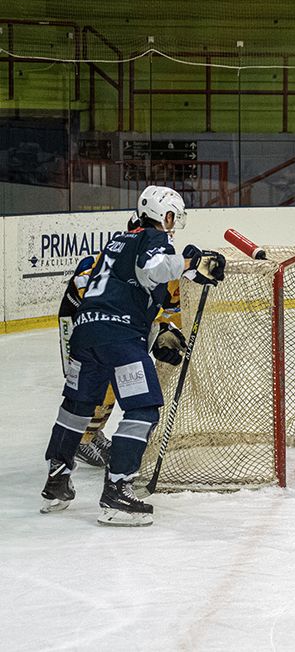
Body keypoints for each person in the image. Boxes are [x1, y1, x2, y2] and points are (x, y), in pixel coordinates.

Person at [39, 185, 225, 526]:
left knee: (76, 407)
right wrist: (191, 262)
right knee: (142, 408)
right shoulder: (154, 239)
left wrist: (160, 330)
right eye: (172, 217)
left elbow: (133, 289)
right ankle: (117, 492)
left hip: (86, 334)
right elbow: (153, 269)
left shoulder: (115, 243)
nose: (173, 224)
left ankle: (56, 482)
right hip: (120, 338)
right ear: (163, 215)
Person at [57, 218, 186, 468]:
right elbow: (93, 303)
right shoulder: (109, 262)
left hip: (115, 327)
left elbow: (162, 311)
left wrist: (161, 333)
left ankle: (90, 433)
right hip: (79, 320)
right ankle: (81, 439)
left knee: (121, 376)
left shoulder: (161, 265)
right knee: (96, 381)